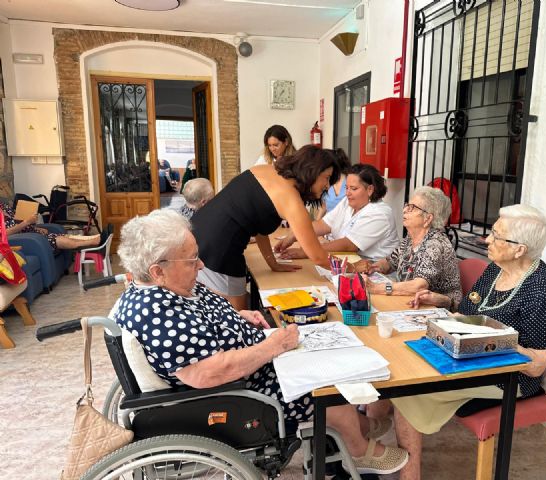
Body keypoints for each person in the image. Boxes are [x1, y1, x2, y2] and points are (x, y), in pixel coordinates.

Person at [113, 209, 409, 475]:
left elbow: (202, 319)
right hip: (241, 395)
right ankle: (357, 448)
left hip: (253, 363)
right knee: (327, 388)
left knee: (331, 351)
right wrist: (273, 346)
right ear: (157, 271)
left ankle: (357, 430)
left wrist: (237, 316)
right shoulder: (157, 313)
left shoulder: (164, 289)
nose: (201, 265)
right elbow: (206, 373)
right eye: (192, 260)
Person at [392, 204, 546, 479]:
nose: (487, 240)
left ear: (520, 249)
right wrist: (440, 302)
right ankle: (367, 445)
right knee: (402, 362)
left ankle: (408, 475)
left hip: (506, 378)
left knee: (409, 390)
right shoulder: (495, 270)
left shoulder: (545, 288)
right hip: (468, 358)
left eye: (497, 236)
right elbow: (466, 313)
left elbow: (536, 366)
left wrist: (494, 339)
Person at [191, 145, 346, 311]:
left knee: (213, 309)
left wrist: (272, 262)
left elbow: (257, 226)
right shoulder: (290, 197)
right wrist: (352, 269)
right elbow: (318, 256)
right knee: (238, 316)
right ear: (312, 171)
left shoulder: (265, 171)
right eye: (326, 177)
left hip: (197, 232)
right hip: (219, 249)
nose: (327, 185)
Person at [358, 187, 462, 307]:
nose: (404, 210)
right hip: (411, 302)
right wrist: (372, 267)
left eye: (412, 208)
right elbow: (390, 262)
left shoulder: (435, 244)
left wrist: (376, 288)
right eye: (407, 205)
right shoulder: (411, 238)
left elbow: (419, 285)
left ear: (428, 218)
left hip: (439, 309)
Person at [275, 164, 399, 261]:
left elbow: (349, 245)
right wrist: (294, 234)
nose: (347, 193)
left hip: (375, 268)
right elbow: (324, 225)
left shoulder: (380, 213)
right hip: (348, 260)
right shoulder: (348, 202)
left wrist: (307, 252)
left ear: (370, 189)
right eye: (347, 188)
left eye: (354, 189)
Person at [1, 202, 102, 251]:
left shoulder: (4, 206)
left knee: (62, 235)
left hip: (29, 231)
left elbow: (18, 219)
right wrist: (27, 222)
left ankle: (96, 238)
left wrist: (36, 228)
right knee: (56, 239)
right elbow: (3, 233)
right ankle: (93, 242)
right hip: (21, 237)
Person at [315, 148, 352, 219]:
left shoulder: (350, 181)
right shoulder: (325, 181)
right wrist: (317, 221)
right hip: (329, 225)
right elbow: (324, 207)